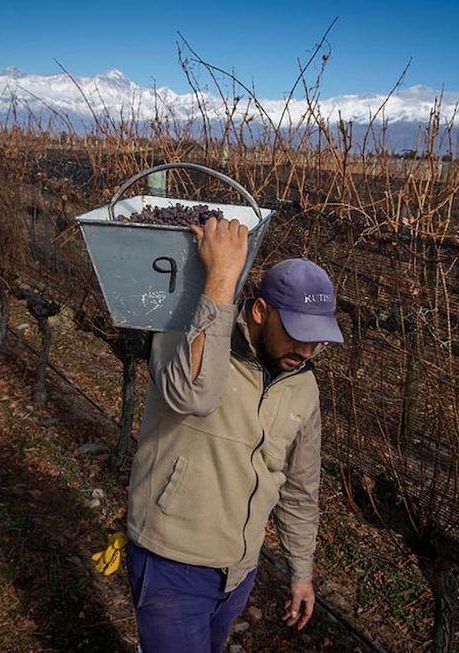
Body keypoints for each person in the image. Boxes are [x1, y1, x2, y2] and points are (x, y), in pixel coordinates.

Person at [125, 216, 344, 653]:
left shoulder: (304, 384)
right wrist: (222, 275)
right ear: (260, 312)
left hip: (239, 571)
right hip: (172, 561)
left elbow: (300, 486)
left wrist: (301, 571)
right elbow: (192, 396)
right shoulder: (185, 334)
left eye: (317, 340)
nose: (306, 351)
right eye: (298, 335)